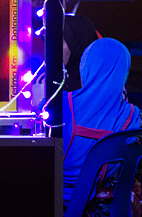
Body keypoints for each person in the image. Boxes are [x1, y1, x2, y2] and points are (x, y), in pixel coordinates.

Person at [62, 37, 141, 210]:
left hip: (55, 201)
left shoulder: (61, 105)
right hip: (103, 207)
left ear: (85, 65)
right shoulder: (132, 116)